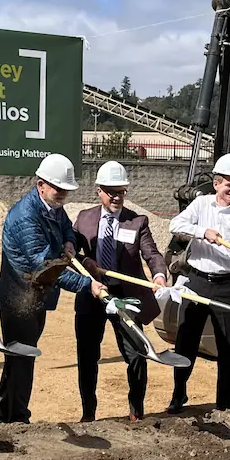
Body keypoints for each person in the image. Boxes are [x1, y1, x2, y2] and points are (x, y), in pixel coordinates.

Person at [0, 153, 106, 424]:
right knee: (22, 358)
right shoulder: (25, 217)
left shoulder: (51, 206)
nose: (63, 194)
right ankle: (16, 417)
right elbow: (45, 268)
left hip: (36, 297)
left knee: (18, 358)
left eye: (66, 190)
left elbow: (67, 228)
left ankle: (2, 411)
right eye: (59, 188)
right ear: (40, 184)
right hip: (19, 297)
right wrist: (86, 284)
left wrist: (68, 242)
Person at [167, 153, 230, 414]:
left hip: (228, 286)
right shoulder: (201, 205)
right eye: (228, 184)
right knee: (186, 341)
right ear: (216, 183)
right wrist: (203, 232)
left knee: (228, 346)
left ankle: (224, 404)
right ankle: (179, 393)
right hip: (197, 282)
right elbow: (175, 224)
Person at [73, 161, 168, 422]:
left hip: (125, 297)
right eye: (111, 191)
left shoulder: (137, 222)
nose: (116, 197)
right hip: (92, 294)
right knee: (87, 356)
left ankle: (136, 412)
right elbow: (71, 251)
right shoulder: (83, 218)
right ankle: (88, 413)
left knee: (136, 353)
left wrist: (159, 274)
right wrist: (85, 262)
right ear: (98, 191)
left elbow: (152, 254)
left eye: (121, 191)